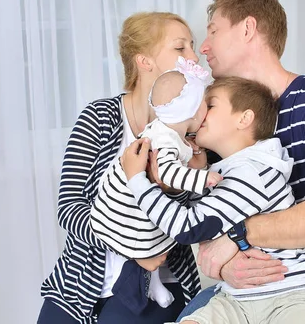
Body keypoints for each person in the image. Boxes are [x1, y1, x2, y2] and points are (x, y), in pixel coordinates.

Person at [180, 0, 305, 324]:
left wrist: (237, 236)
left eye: (213, 31)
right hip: (243, 290)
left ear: (248, 28)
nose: (203, 48)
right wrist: (224, 263)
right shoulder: (216, 122)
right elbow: (207, 220)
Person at [121, 76, 305, 324]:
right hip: (236, 299)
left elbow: (189, 228)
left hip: (292, 296)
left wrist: (136, 180)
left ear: (244, 119)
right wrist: (192, 175)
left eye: (209, 105)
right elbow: (207, 219)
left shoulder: (253, 171)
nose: (199, 112)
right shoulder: (227, 171)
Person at [37, 12, 202, 324]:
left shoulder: (193, 129)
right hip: (78, 283)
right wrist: (132, 247)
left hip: (161, 283)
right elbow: (69, 207)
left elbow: (197, 214)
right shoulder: (99, 117)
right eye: (181, 48)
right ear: (144, 61)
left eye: (192, 47)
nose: (194, 57)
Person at [88, 57, 221, 310]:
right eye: (205, 103)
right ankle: (147, 281)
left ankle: (154, 282)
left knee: (159, 232)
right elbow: (168, 173)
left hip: (139, 202)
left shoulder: (172, 133)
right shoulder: (166, 140)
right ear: (192, 111)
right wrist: (202, 177)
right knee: (152, 236)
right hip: (124, 203)